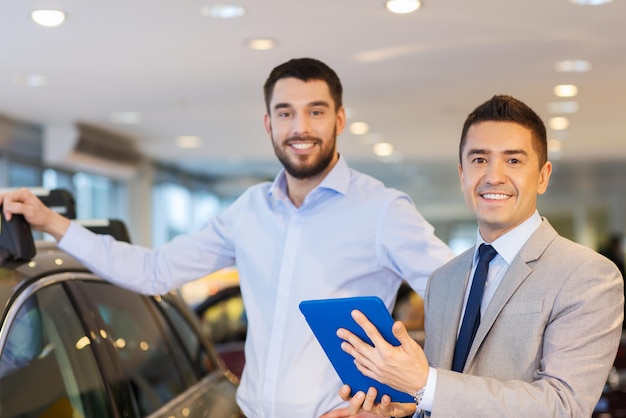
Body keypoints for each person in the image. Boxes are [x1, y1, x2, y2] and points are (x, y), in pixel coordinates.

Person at [0, 57, 454, 418]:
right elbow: (153, 271)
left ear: (339, 118)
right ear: (268, 124)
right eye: (286, 113)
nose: (300, 127)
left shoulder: (382, 209)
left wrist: (410, 401)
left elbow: (459, 301)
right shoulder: (249, 211)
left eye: (315, 111)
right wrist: (51, 222)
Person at [335, 95, 624, 417]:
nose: (493, 176)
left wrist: (425, 384)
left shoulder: (588, 275)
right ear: (462, 174)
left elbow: (564, 406)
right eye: (479, 160)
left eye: (513, 161)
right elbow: (438, 395)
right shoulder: (443, 278)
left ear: (543, 176)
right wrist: (403, 408)